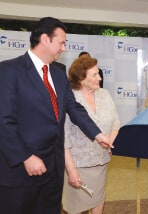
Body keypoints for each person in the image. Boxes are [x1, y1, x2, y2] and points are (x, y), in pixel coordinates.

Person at [0, 17, 112, 214]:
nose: (64, 48)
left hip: (53, 168)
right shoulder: (9, 70)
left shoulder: (59, 74)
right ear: (45, 39)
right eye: (61, 42)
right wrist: (25, 156)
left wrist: (97, 134)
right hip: (21, 169)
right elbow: (4, 121)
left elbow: (74, 108)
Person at [62, 56, 120, 214]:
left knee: (98, 202)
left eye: (99, 73)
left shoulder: (105, 94)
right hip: (77, 165)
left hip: (101, 161)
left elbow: (115, 122)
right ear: (81, 78)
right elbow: (64, 138)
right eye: (94, 75)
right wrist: (71, 170)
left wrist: (108, 143)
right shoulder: (69, 98)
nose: (100, 77)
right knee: (74, 208)